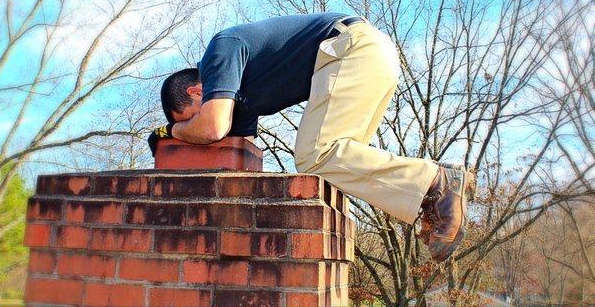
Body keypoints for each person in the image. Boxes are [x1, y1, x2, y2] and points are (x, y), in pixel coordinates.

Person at [148, 13, 475, 262]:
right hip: (371, 54)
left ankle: (436, 181)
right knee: (340, 161)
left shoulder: (219, 52)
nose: (192, 129)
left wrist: (170, 132)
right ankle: (429, 200)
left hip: (352, 48)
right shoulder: (242, 99)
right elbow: (234, 154)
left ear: (197, 91)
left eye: (190, 117)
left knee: (315, 153)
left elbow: (212, 128)